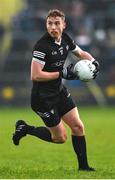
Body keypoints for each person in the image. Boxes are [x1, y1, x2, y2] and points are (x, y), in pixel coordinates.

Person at [12, 9, 99, 171]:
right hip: (42, 99)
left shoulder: (65, 38)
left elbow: (80, 53)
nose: (53, 27)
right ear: (46, 25)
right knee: (60, 138)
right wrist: (62, 73)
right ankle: (26, 128)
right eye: (50, 23)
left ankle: (84, 167)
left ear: (63, 25)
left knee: (78, 127)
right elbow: (35, 75)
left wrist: (94, 61)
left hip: (58, 91)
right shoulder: (41, 46)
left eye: (57, 23)